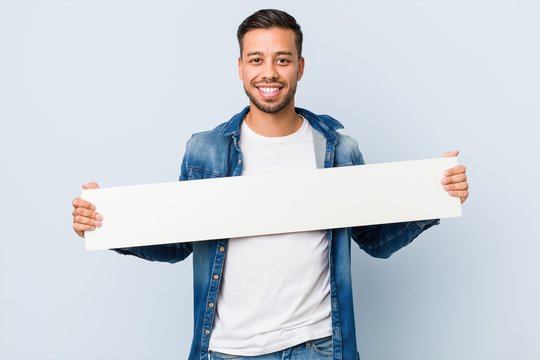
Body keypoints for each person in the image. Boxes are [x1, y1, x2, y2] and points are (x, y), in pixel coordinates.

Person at [71, 9, 469, 360]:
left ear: (300, 66)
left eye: (282, 59)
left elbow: (375, 241)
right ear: (241, 67)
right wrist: (107, 224)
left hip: (319, 346)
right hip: (228, 349)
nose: (270, 73)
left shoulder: (337, 149)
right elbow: (177, 243)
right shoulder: (205, 150)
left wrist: (435, 198)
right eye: (256, 59)